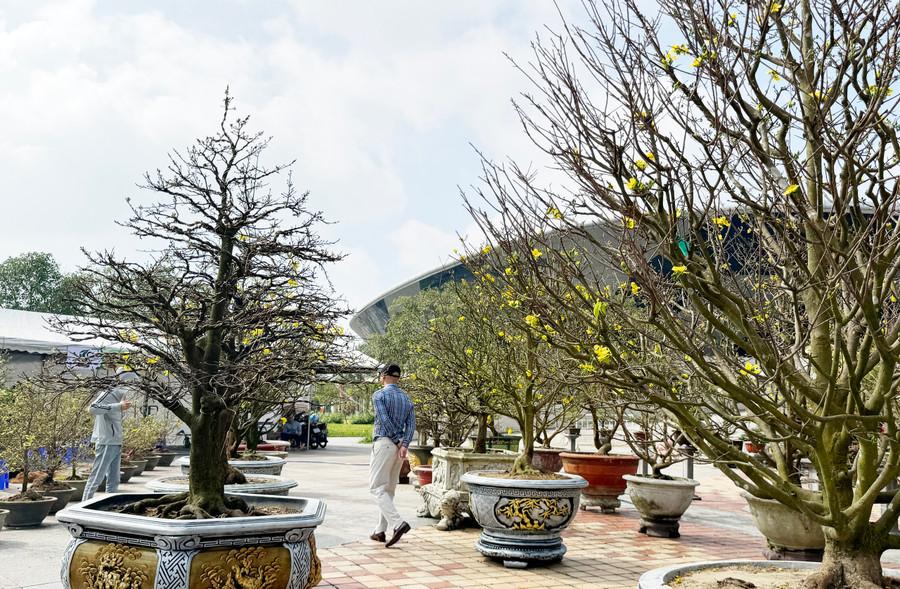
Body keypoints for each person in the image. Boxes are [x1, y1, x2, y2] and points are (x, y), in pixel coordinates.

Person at [369, 363, 416, 547]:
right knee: (388, 490)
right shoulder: (406, 398)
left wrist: (397, 440)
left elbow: (384, 420)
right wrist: (404, 444)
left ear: (384, 376)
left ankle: (398, 524)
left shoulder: (379, 395)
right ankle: (380, 531)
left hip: (384, 443)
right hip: (399, 449)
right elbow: (411, 425)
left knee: (376, 488)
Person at [82, 366, 133, 500]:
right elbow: (92, 408)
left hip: (115, 444)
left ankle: (111, 504)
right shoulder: (108, 393)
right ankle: (82, 508)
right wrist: (117, 407)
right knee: (96, 477)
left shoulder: (118, 396)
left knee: (114, 480)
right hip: (106, 443)